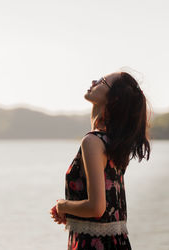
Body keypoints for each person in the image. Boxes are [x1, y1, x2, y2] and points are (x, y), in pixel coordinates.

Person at [50, 70, 151, 250]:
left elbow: (96, 208)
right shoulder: (113, 143)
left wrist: (62, 206)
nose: (94, 81)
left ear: (114, 99)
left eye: (102, 81)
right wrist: (71, 212)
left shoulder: (93, 142)